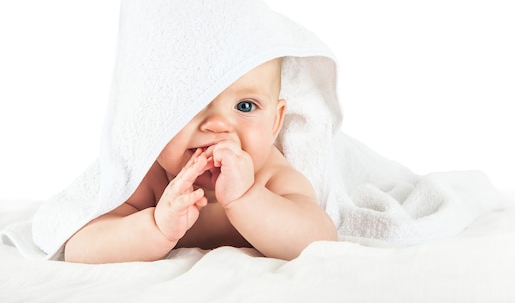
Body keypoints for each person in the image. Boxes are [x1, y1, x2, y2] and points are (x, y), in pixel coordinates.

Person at [64, 58, 338, 263]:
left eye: (245, 106)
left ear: (276, 122)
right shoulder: (152, 178)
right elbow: (80, 247)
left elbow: (321, 238)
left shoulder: (272, 176)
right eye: (192, 103)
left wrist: (247, 198)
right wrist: (156, 227)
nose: (218, 125)